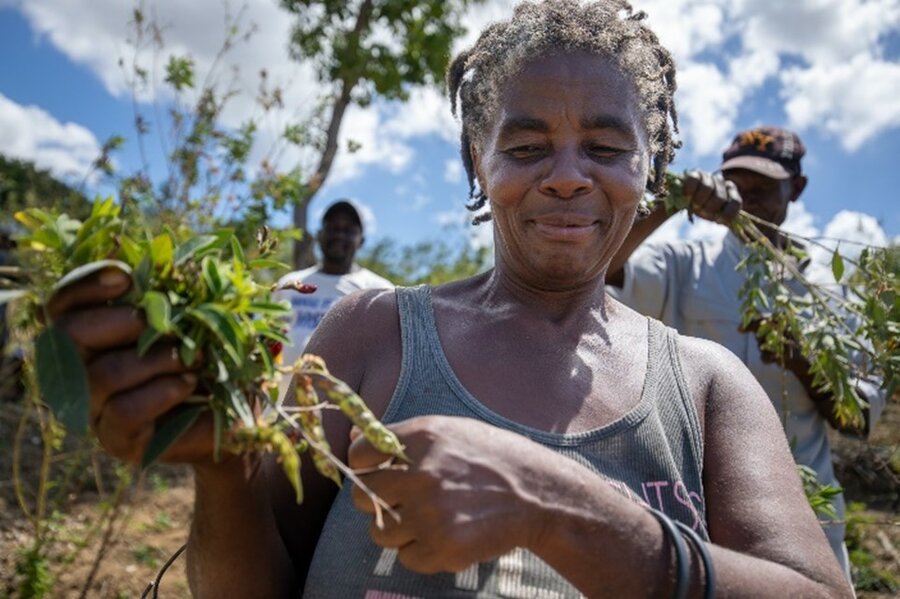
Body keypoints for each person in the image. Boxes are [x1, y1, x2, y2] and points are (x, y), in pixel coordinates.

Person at [49, 1, 852, 596]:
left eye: (606, 147)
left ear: (652, 164)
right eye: (527, 144)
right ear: (479, 162)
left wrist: (563, 509)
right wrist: (224, 473)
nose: (568, 173)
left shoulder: (706, 384)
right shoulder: (371, 334)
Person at [606, 125, 886, 580]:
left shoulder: (831, 295)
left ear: (796, 188)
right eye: (737, 186)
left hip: (807, 519)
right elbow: (601, 267)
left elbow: (861, 419)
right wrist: (668, 202)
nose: (747, 198)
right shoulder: (685, 265)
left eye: (763, 187)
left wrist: (800, 358)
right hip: (696, 514)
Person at [273, 200, 393, 398]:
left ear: (361, 240)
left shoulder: (381, 291)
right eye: (333, 228)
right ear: (319, 236)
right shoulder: (289, 284)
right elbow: (264, 344)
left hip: (346, 419)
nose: (339, 235)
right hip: (281, 412)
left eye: (349, 230)